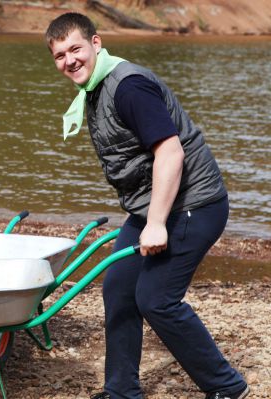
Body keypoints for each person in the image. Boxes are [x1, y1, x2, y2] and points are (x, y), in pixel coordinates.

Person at [45, 12, 249, 399]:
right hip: (153, 207)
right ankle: (122, 391)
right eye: (59, 55)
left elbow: (170, 153)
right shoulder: (95, 87)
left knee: (156, 299)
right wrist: (150, 216)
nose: (69, 60)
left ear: (96, 43)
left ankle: (226, 387)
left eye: (75, 49)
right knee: (119, 289)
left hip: (194, 205)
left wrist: (157, 223)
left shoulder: (128, 86)